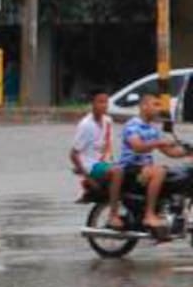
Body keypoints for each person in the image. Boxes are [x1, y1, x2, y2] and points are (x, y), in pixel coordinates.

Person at [119, 91, 186, 230]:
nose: (158, 109)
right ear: (144, 106)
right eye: (155, 104)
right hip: (131, 168)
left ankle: (167, 213)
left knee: (177, 174)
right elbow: (137, 147)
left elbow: (171, 152)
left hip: (146, 169)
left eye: (160, 105)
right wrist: (158, 143)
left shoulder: (153, 128)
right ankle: (149, 215)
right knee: (160, 171)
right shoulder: (132, 125)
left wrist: (187, 152)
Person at [69, 87, 125, 228]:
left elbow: (108, 146)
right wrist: (87, 177)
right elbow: (74, 154)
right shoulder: (86, 125)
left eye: (106, 102)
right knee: (117, 172)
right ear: (92, 103)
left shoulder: (107, 121)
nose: (104, 105)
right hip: (90, 165)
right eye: (100, 102)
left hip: (104, 162)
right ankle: (113, 215)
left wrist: (111, 161)